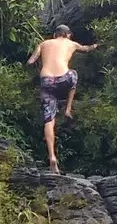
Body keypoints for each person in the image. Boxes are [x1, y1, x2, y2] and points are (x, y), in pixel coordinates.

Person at [27, 24, 95, 174]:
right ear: (67, 35)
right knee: (74, 74)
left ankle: (52, 157)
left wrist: (38, 62)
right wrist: (96, 45)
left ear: (55, 34)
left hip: (46, 82)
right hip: (64, 78)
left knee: (49, 120)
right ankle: (68, 109)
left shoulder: (44, 43)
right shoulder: (71, 43)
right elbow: (86, 49)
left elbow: (31, 61)